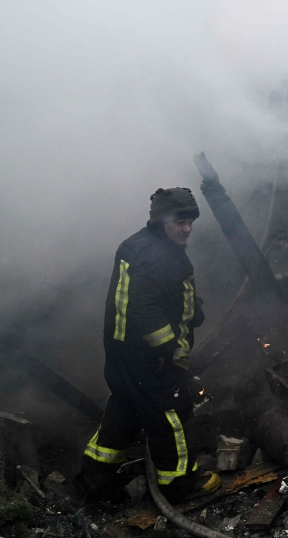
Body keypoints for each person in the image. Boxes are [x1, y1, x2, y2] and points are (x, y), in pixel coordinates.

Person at [75, 188, 220, 504]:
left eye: (191, 221)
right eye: (179, 222)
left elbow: (156, 294)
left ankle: (93, 480)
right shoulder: (159, 256)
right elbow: (144, 308)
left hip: (122, 356)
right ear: (160, 221)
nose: (187, 229)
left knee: (125, 410)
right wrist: (166, 352)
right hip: (149, 359)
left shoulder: (139, 245)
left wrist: (191, 307)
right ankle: (180, 484)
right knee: (171, 413)